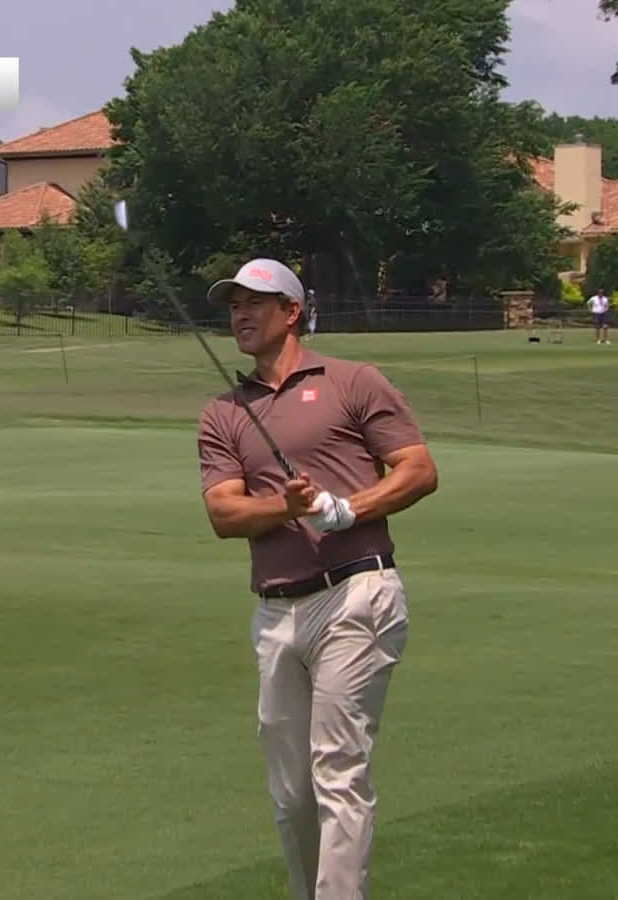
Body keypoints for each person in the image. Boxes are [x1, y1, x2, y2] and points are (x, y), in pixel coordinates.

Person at [195, 258, 439, 899]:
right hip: (276, 612)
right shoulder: (225, 412)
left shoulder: (352, 381)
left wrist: (349, 508)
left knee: (338, 772)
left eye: (255, 302)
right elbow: (224, 512)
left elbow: (416, 468)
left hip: (356, 594)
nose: (240, 315)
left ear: (292, 312)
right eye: (233, 305)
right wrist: (291, 507)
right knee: (292, 791)